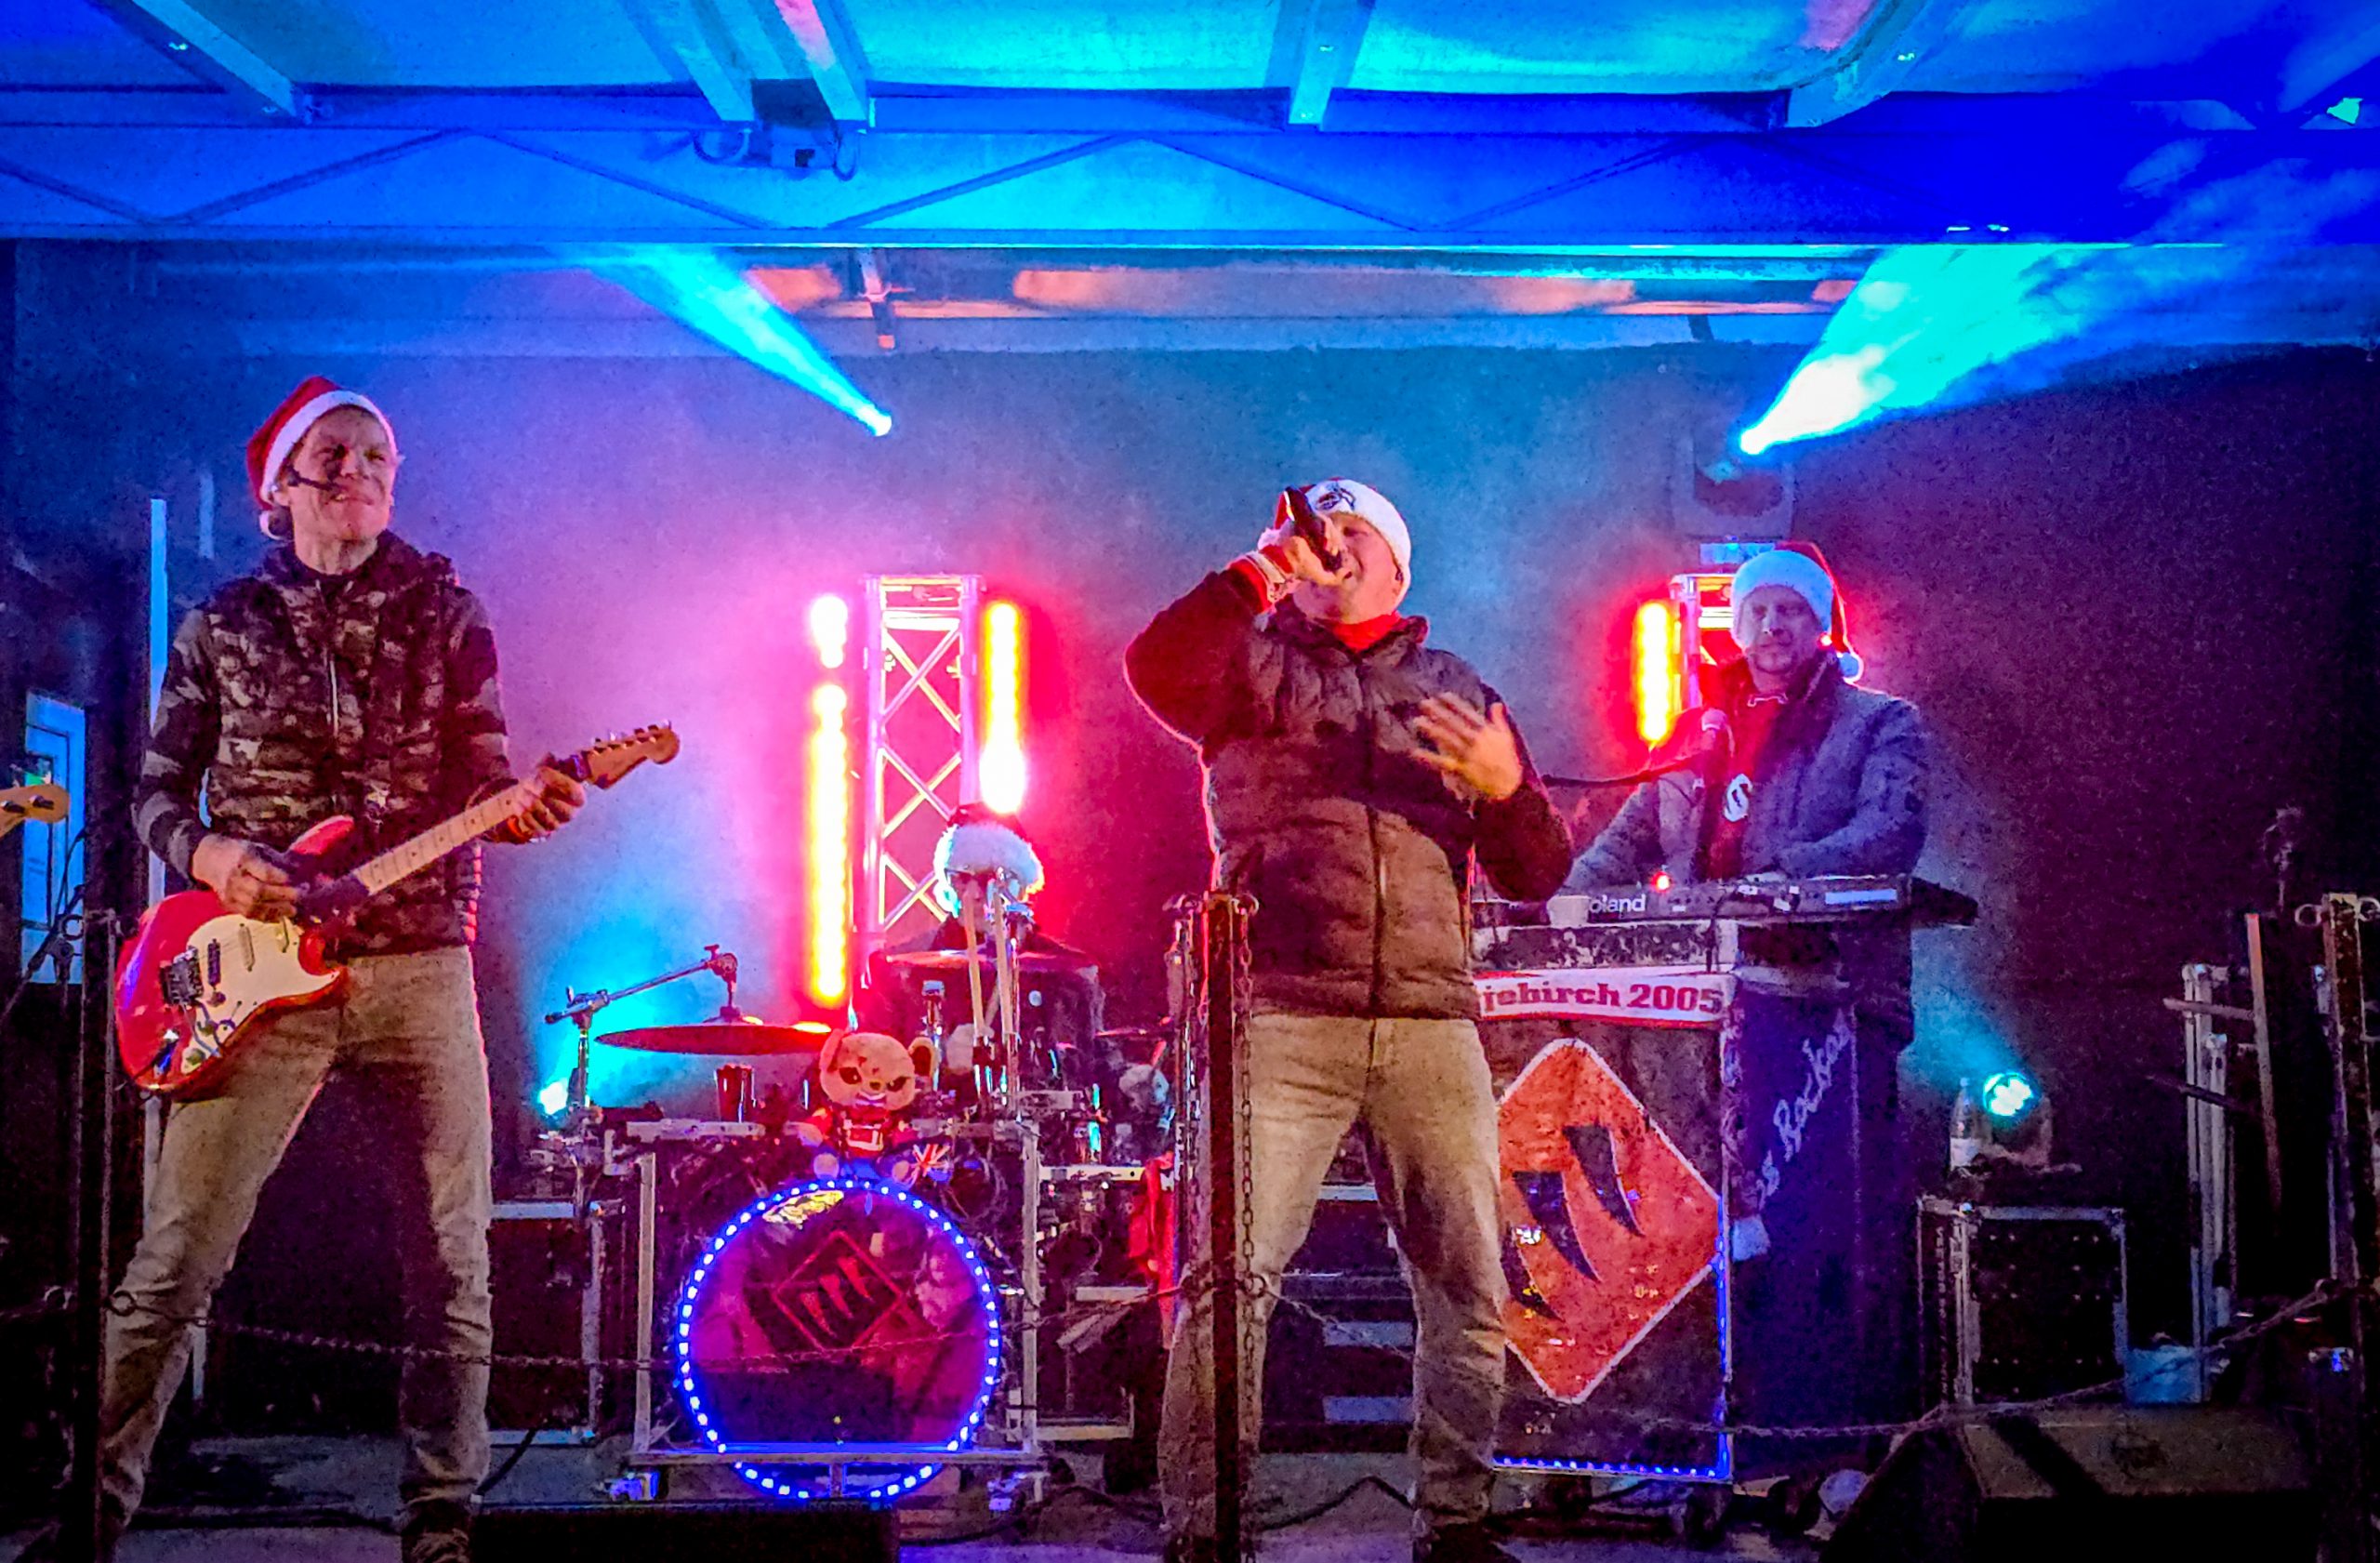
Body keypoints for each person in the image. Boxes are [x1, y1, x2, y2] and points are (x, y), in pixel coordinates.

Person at [94, 378, 583, 1563]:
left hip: (419, 961)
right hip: (250, 974)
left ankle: (441, 1516)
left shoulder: (448, 611)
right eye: (338, 453)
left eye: (378, 456)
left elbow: (484, 774)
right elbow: (152, 792)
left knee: (452, 1256)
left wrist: (520, 806)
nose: (361, 471)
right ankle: (87, 1513)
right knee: (176, 1259)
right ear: (283, 485)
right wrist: (212, 855)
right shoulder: (219, 623)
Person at [1125, 479, 1573, 1563]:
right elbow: (1154, 667)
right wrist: (1261, 569)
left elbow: (1536, 871)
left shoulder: (1455, 687)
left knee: (1467, 1281)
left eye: (1353, 530)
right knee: (1230, 1281)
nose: (1330, 543)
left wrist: (1507, 790)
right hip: (1280, 1012)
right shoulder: (1249, 663)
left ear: (1397, 568)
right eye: (1314, 529)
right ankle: (1204, 1528)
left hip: (1428, 1019)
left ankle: (1455, 1521)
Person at [1563, 539, 1927, 1457]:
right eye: (1757, 610)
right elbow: (1628, 842)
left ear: (1822, 625)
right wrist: (1557, 909)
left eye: (1791, 610)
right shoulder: (1696, 732)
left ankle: (1831, 1441)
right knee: (1703, 1230)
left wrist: (1775, 881)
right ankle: (1702, 1437)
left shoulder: (1881, 722)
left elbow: (1890, 829)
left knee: (1824, 1237)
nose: (1772, 625)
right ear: (1735, 625)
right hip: (1707, 1013)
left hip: (1831, 1006)